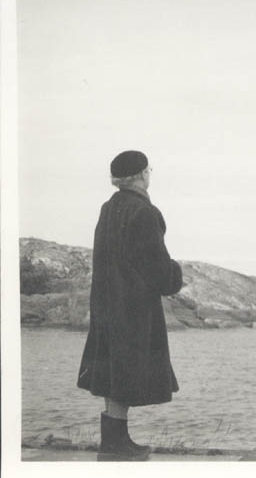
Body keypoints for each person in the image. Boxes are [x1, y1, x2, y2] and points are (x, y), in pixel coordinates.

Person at [77, 150, 183, 461]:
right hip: (134, 307)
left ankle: (115, 442)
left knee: (113, 371)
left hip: (107, 304)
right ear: (140, 175)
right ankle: (115, 445)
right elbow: (156, 267)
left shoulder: (108, 208)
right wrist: (176, 274)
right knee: (125, 371)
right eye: (149, 170)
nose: (150, 174)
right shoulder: (144, 212)